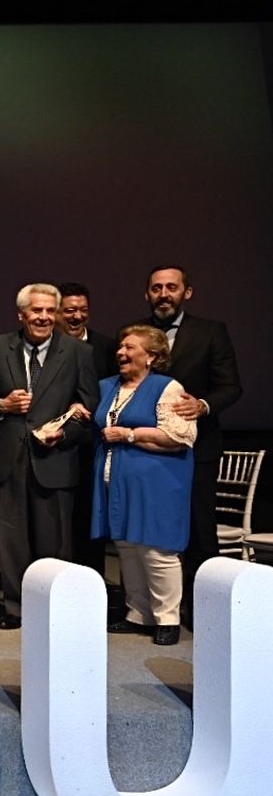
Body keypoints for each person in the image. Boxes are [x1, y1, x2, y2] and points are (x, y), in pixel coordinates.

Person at [0, 283, 98, 630]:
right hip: (8, 458)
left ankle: (54, 607)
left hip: (55, 457)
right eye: (36, 311)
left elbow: (88, 407)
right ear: (21, 314)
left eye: (49, 311)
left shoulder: (77, 352)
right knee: (11, 539)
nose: (43, 317)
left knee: (54, 538)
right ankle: (15, 608)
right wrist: (2, 405)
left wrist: (65, 432)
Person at [139, 265, 241, 630]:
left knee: (200, 531)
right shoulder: (136, 334)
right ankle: (161, 612)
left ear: (187, 292)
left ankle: (206, 613)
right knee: (155, 534)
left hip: (197, 450)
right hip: (149, 451)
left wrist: (203, 406)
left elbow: (231, 387)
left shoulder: (211, 332)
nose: (163, 294)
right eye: (156, 288)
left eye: (171, 287)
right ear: (147, 294)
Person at [93, 325, 197, 646]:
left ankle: (168, 618)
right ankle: (138, 614)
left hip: (158, 483)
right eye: (120, 347)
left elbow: (180, 437)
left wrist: (129, 435)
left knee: (155, 548)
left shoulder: (167, 388)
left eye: (130, 348)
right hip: (118, 484)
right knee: (126, 546)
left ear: (151, 356)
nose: (121, 353)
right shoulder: (110, 386)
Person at [55, 282, 117, 576]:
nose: (77, 316)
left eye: (83, 310)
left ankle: (93, 585)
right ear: (57, 312)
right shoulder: (46, 345)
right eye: (69, 310)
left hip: (92, 446)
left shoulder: (106, 346)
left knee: (90, 519)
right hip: (53, 445)